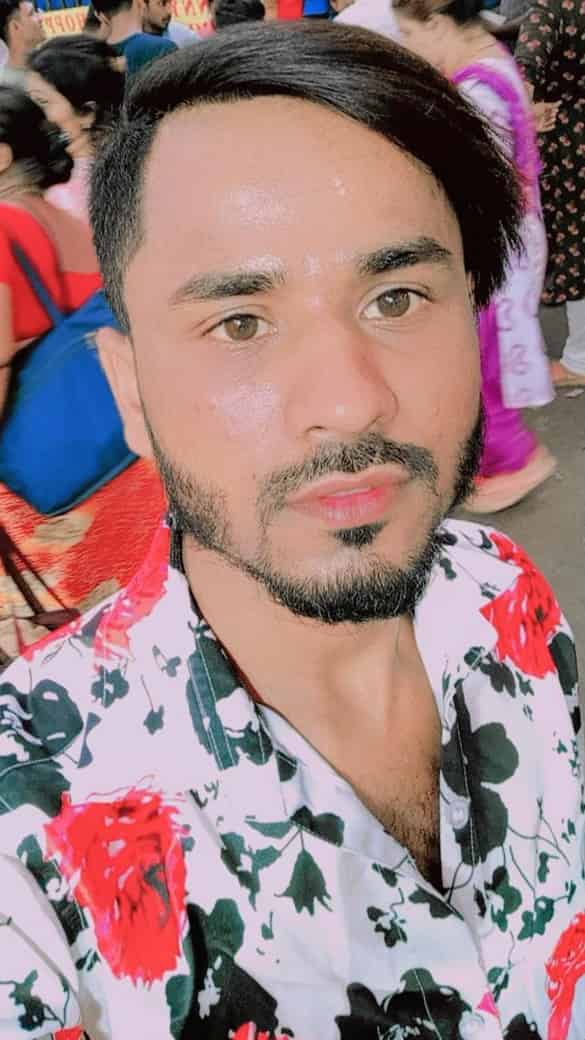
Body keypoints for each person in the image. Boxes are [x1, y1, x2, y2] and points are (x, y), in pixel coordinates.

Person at [1, 21, 584, 1038]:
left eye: (396, 297)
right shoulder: (32, 824)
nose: (349, 401)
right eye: (240, 322)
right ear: (130, 393)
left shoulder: (501, 589)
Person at [0, 87, 164, 660]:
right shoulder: (62, 215)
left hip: (60, 470)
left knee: (95, 631)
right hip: (121, 447)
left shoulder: (4, 226)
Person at [394, 0, 555, 513]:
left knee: (486, 351)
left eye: (411, 34)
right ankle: (494, 458)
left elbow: (476, 179)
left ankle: (514, 462)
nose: (410, 47)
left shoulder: (476, 90)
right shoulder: (491, 61)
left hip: (498, 242)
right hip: (514, 233)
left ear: (439, 23)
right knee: (486, 348)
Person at [515, 0, 585, 389]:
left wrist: (522, 112)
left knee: (575, 246)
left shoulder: (548, 9)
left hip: (568, 143)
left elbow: (525, 69)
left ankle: (579, 359)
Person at [27, 34, 125, 221]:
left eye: (42, 101)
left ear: (87, 113)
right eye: (29, 98)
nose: (29, 110)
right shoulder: (126, 162)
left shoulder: (67, 195)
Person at [92, 0, 176, 77]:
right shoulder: (163, 48)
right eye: (161, 3)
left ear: (100, 16)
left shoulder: (92, 60)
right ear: (140, 3)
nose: (169, 11)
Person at [0, 0, 42, 88]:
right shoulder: (6, 85)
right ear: (15, 27)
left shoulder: (50, 67)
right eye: (31, 14)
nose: (40, 18)